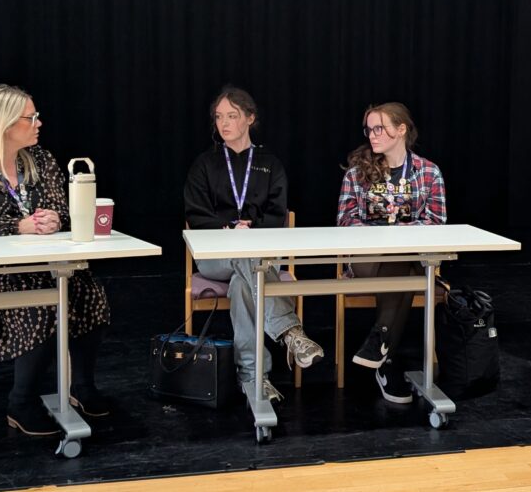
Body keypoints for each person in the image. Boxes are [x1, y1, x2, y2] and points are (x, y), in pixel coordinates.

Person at [0, 84, 110, 436]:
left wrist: (58, 219)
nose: (39, 123)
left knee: (89, 292)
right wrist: (19, 225)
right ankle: (21, 401)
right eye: (32, 117)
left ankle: (82, 386)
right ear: (4, 123)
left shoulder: (39, 159)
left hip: (40, 265)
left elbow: (66, 207)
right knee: (40, 303)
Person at [184, 85, 323, 403]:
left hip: (259, 256)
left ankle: (254, 377)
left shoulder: (270, 164)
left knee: (243, 285)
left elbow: (279, 214)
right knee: (242, 255)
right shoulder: (204, 164)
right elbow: (194, 212)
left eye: (232, 115)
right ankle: (291, 334)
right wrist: (227, 229)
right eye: (219, 117)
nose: (224, 123)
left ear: (250, 118)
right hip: (215, 255)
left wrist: (253, 230)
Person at [336, 102, 447, 404]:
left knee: (405, 264)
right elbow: (346, 220)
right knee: (406, 268)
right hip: (366, 259)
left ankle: (382, 350)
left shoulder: (428, 172)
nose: (372, 135)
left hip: (409, 258)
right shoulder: (358, 172)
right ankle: (384, 349)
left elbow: (437, 222)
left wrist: (402, 233)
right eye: (369, 129)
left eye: (379, 128)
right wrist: (384, 234)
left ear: (401, 130)